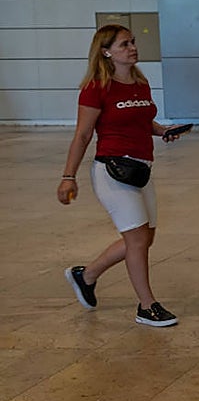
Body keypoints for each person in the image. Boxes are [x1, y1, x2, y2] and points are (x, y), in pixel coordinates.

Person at [57, 24, 185, 327]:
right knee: (137, 239)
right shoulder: (96, 87)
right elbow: (83, 134)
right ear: (106, 52)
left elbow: (143, 121)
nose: (132, 48)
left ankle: (86, 275)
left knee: (144, 238)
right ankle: (146, 306)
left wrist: (162, 130)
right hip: (112, 171)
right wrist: (68, 176)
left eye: (133, 43)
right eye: (124, 44)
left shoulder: (140, 82)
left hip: (142, 169)